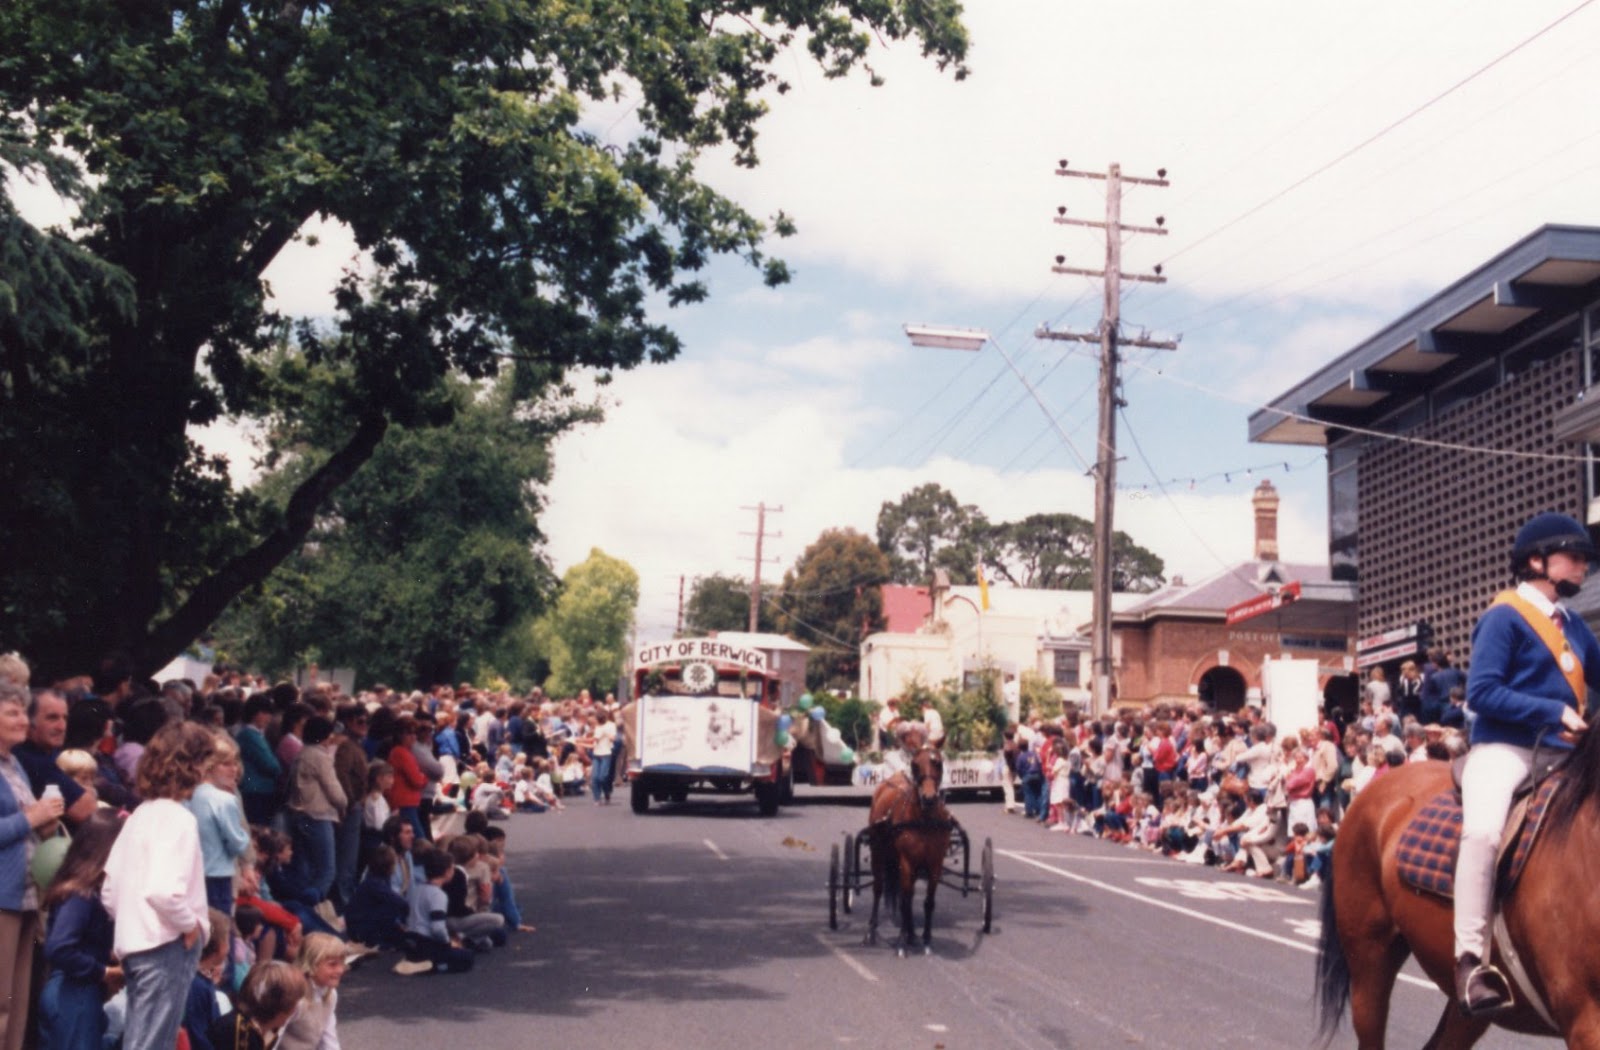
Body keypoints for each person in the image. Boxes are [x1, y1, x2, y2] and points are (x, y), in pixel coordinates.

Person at [1455, 512, 1600, 1015]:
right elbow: (1481, 692)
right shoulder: (1504, 616)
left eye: (1584, 558)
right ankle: (1471, 960)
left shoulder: (1575, 626)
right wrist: (1551, 710)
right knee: (1482, 834)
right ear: (1537, 561)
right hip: (1506, 750)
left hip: (1567, 755)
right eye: (1574, 555)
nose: (1583, 565)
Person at [102, 721, 215, 1050]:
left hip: (134, 944)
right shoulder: (179, 818)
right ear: (192, 766)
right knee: (153, 1043)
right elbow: (162, 891)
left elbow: (110, 892)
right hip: (166, 945)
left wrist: (133, 920)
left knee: (139, 1039)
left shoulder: (140, 815)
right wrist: (189, 924)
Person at [0, 682, 65, 1050]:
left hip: (24, 897)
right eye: (12, 712)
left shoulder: (14, 764)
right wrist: (31, 818)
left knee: (19, 1004)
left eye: (24, 712)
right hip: (2, 898)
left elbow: (25, 820)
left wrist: (44, 824)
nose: (23, 720)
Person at [38, 809, 123, 1050]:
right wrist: (103, 972)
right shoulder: (80, 894)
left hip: (78, 993)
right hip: (72, 994)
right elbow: (59, 947)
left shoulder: (86, 892)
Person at [277, 932, 345, 1050]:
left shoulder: (330, 995)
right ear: (311, 964)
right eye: (332, 965)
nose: (340, 970)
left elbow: (329, 1038)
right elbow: (275, 1037)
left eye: (341, 963)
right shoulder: (295, 998)